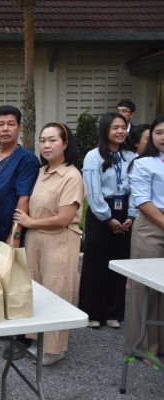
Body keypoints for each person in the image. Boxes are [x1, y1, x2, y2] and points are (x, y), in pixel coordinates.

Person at [13, 122, 84, 366]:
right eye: (43, 140)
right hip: (37, 240)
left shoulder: (71, 176)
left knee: (57, 292)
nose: (46, 145)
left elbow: (64, 218)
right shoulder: (42, 171)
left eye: (53, 140)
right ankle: (37, 339)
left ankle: (55, 349)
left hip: (59, 241)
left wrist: (30, 222)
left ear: (65, 143)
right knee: (37, 290)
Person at [0, 105, 40, 360]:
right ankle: (1, 324)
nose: (5, 128)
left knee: (14, 278)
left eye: (11, 124)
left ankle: (23, 337)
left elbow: (23, 198)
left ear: (19, 128)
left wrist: (14, 235)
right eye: (0, 124)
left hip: (10, 230)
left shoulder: (26, 159)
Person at [78, 112, 137, 329]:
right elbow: (92, 193)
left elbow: (136, 188)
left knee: (120, 263)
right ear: (105, 130)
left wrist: (131, 215)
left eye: (123, 127)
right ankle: (92, 311)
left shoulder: (132, 156)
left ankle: (114, 313)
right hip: (101, 212)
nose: (120, 131)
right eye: (115, 128)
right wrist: (108, 217)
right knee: (97, 264)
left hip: (125, 212)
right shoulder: (94, 156)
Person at [124, 114, 164, 365]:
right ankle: (144, 347)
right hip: (152, 227)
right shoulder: (143, 163)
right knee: (146, 290)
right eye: (159, 132)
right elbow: (141, 200)